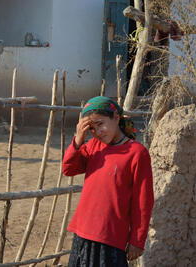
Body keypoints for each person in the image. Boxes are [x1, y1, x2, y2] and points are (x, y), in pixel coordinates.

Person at [63, 96, 154, 267]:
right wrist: (78, 140)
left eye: (100, 124)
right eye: (92, 128)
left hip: (111, 236)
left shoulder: (136, 153)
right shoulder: (93, 147)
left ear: (116, 118)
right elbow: (69, 169)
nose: (97, 132)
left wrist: (137, 239)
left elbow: (143, 201)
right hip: (83, 231)